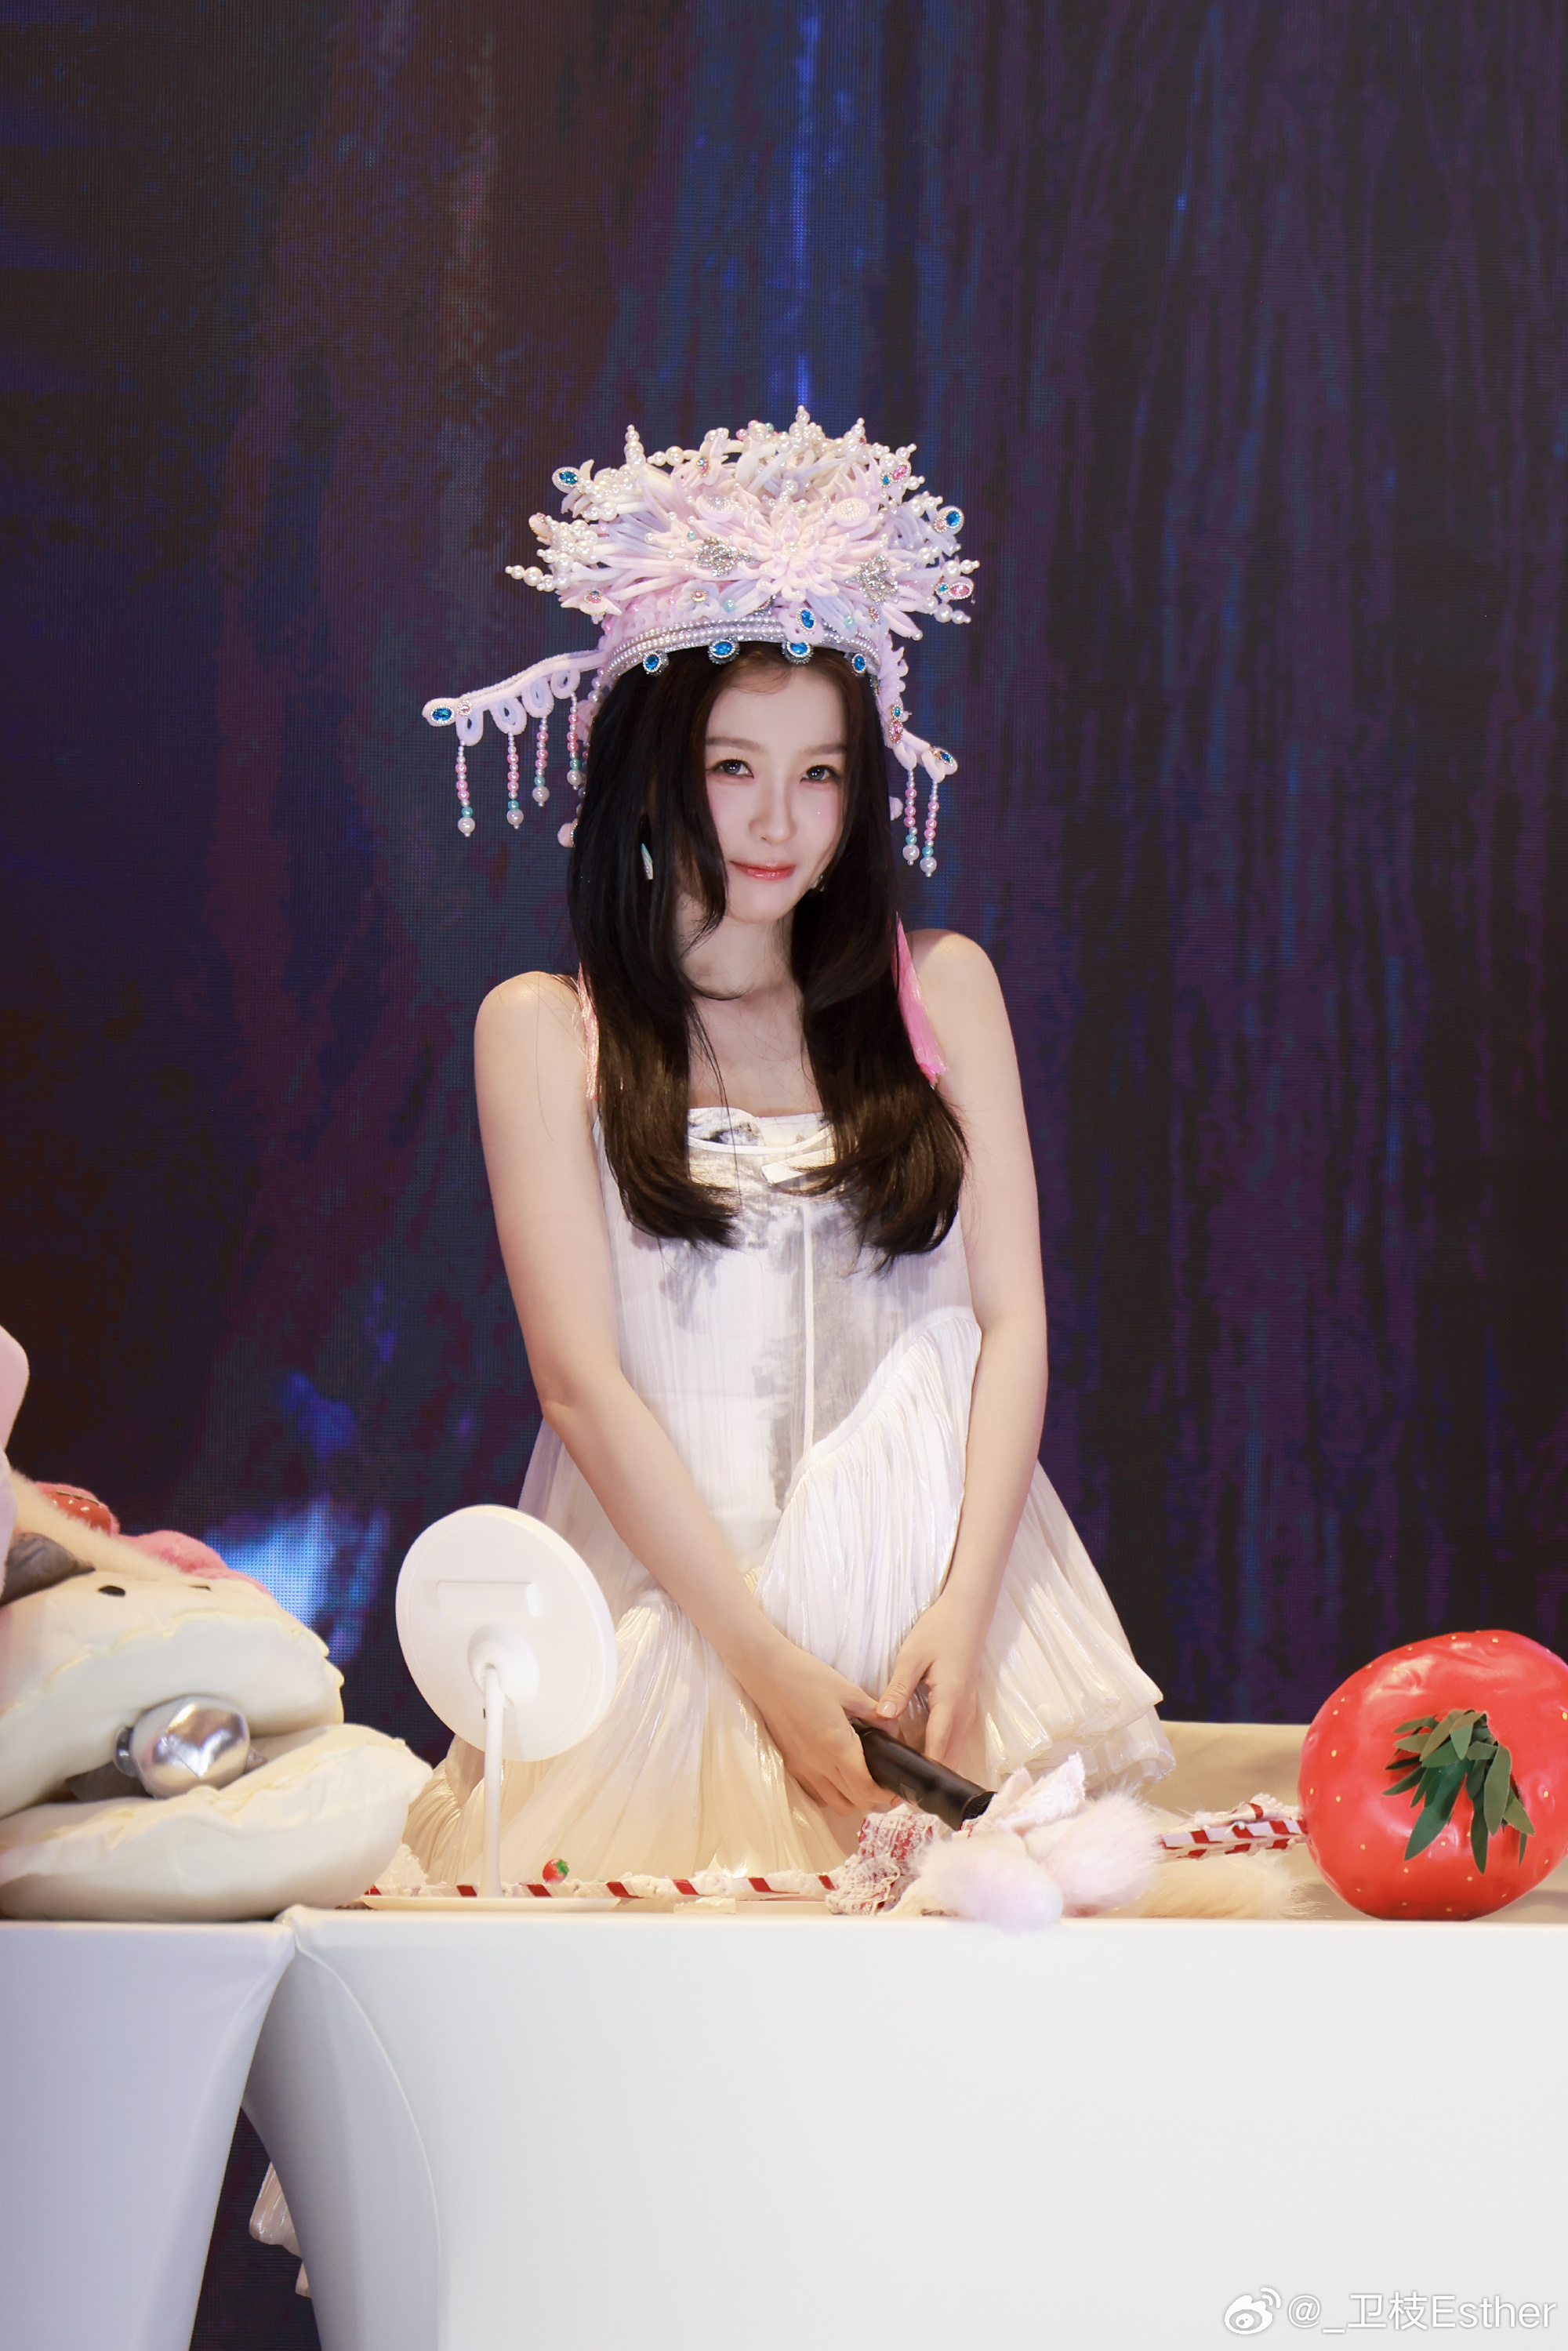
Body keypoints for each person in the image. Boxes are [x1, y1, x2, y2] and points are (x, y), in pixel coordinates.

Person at [406, 412, 1169, 1886]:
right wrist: (765, 1669)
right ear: (650, 772)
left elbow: (1010, 1322)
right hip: (687, 1636)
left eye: (819, 774)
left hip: (942, 1632)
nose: (777, 821)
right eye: (732, 766)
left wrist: (967, 1608)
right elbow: (578, 1383)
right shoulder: (545, 1032)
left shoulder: (941, 990)